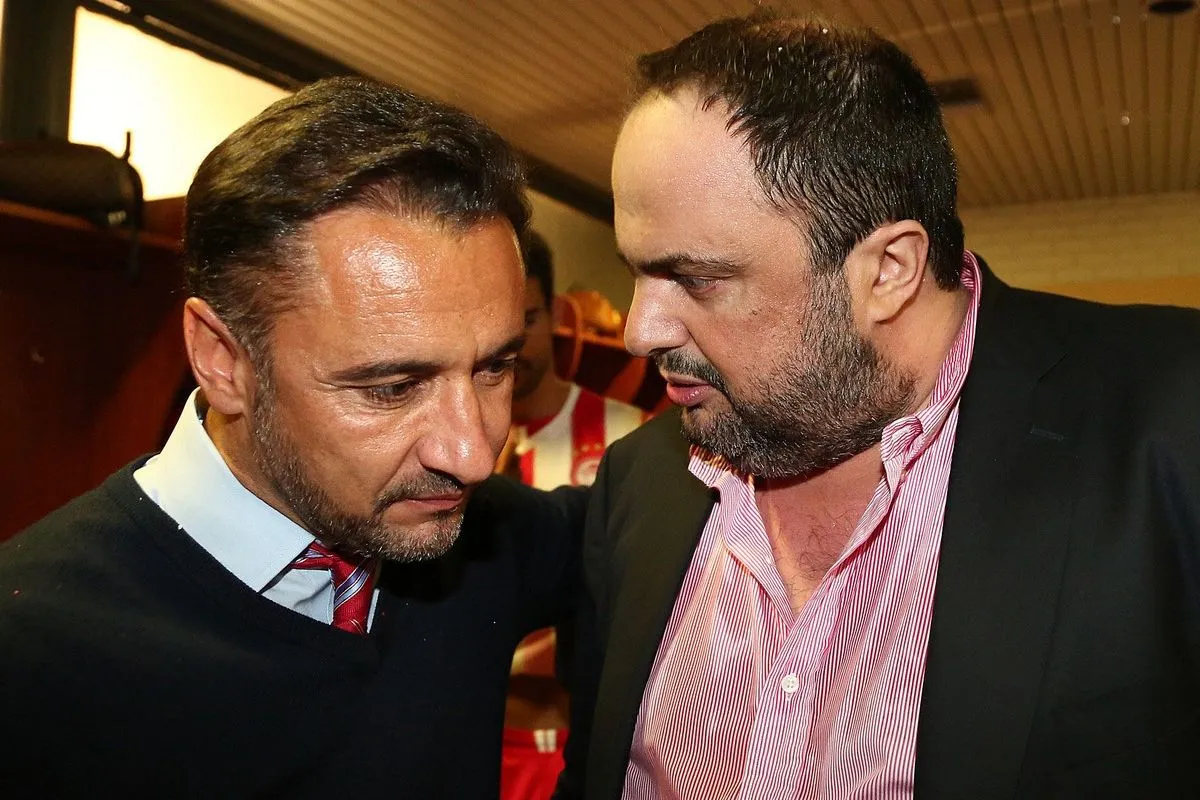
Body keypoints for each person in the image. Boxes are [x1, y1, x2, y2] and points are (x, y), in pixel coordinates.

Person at [558, 13, 1200, 800]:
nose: (638, 331)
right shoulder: (639, 481)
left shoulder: (1172, 420)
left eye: (696, 279)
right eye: (636, 272)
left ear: (889, 269)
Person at [0, 77, 585, 797]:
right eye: (390, 388)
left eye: (495, 368)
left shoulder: (485, 537)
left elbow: (640, 514)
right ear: (222, 360)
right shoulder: (30, 655)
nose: (470, 456)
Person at [499, 231, 644, 800]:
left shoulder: (628, 440)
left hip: (571, 745)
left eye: (526, 320)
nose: (510, 345)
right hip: (467, 736)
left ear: (555, 313)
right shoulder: (441, 449)